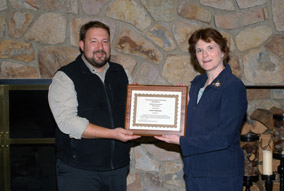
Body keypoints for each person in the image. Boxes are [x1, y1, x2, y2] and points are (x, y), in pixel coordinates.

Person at [48, 21, 140, 191]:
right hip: (79, 170)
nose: (100, 47)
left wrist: (171, 99)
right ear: (82, 45)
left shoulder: (122, 73)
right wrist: (112, 134)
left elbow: (136, 110)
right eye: (94, 41)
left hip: (117, 169)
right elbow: (68, 122)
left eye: (105, 41)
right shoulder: (65, 77)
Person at [155, 28, 248, 191]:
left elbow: (223, 138)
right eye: (199, 50)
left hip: (220, 176)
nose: (205, 55)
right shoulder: (197, 84)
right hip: (194, 172)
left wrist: (179, 141)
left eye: (210, 48)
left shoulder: (233, 86)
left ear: (223, 51)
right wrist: (180, 108)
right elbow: (196, 125)